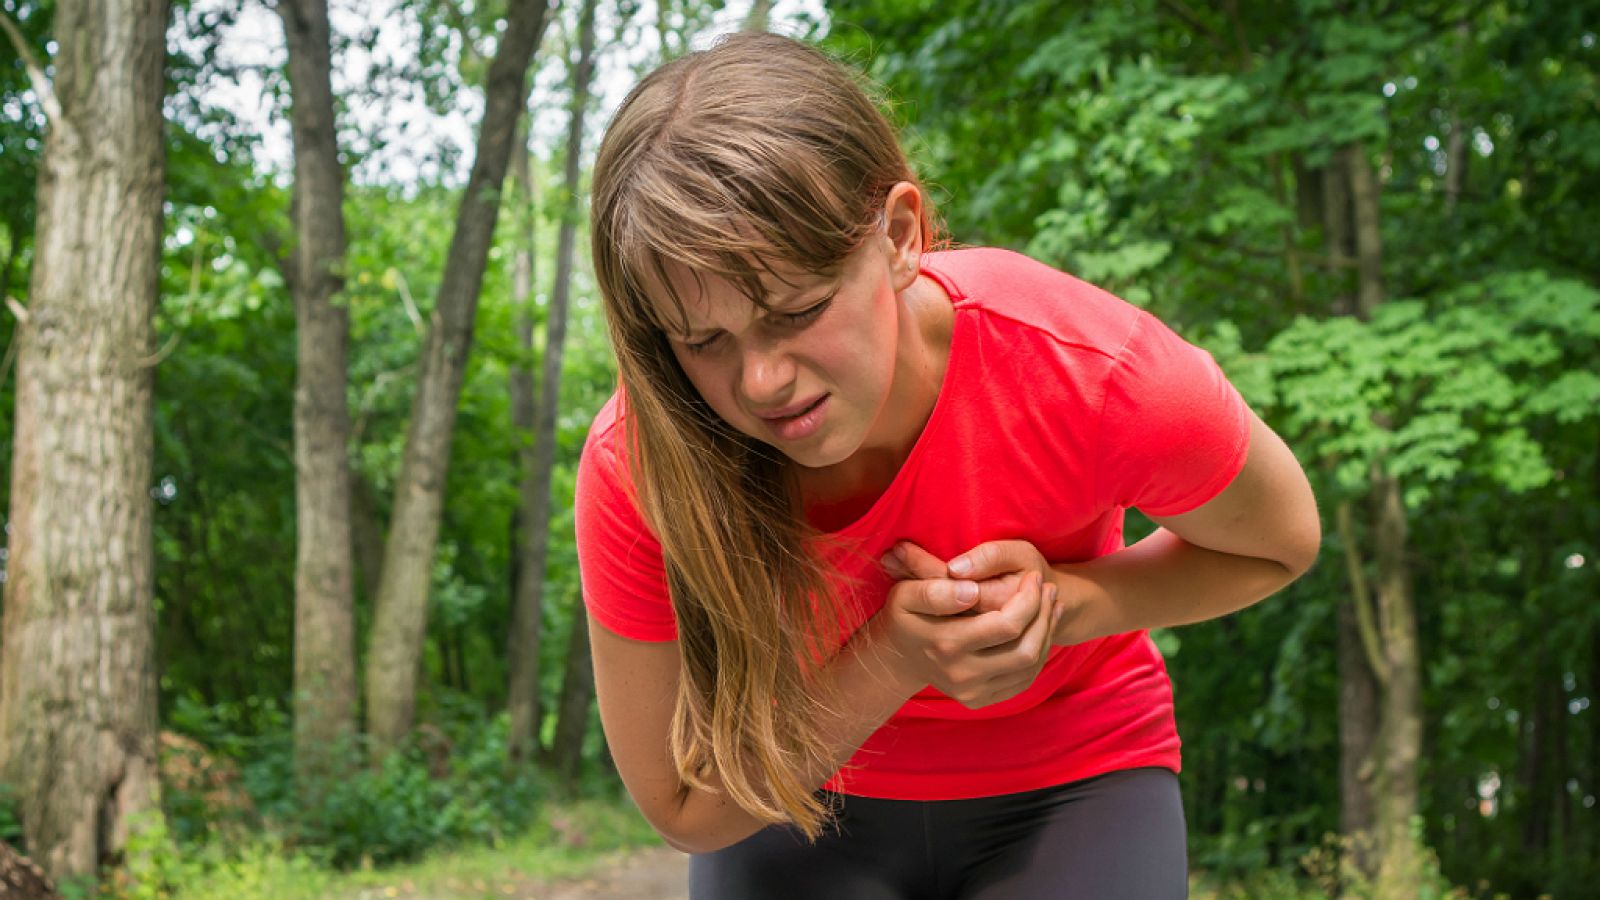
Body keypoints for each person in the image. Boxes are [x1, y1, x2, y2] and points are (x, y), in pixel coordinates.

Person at [575, 32, 1320, 900]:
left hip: (1077, 780)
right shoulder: (640, 459)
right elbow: (682, 804)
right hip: (792, 798)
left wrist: (1073, 606)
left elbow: (1281, 542)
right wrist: (896, 655)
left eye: (796, 311)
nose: (761, 380)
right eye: (705, 340)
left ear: (899, 234)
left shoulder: (1087, 367)